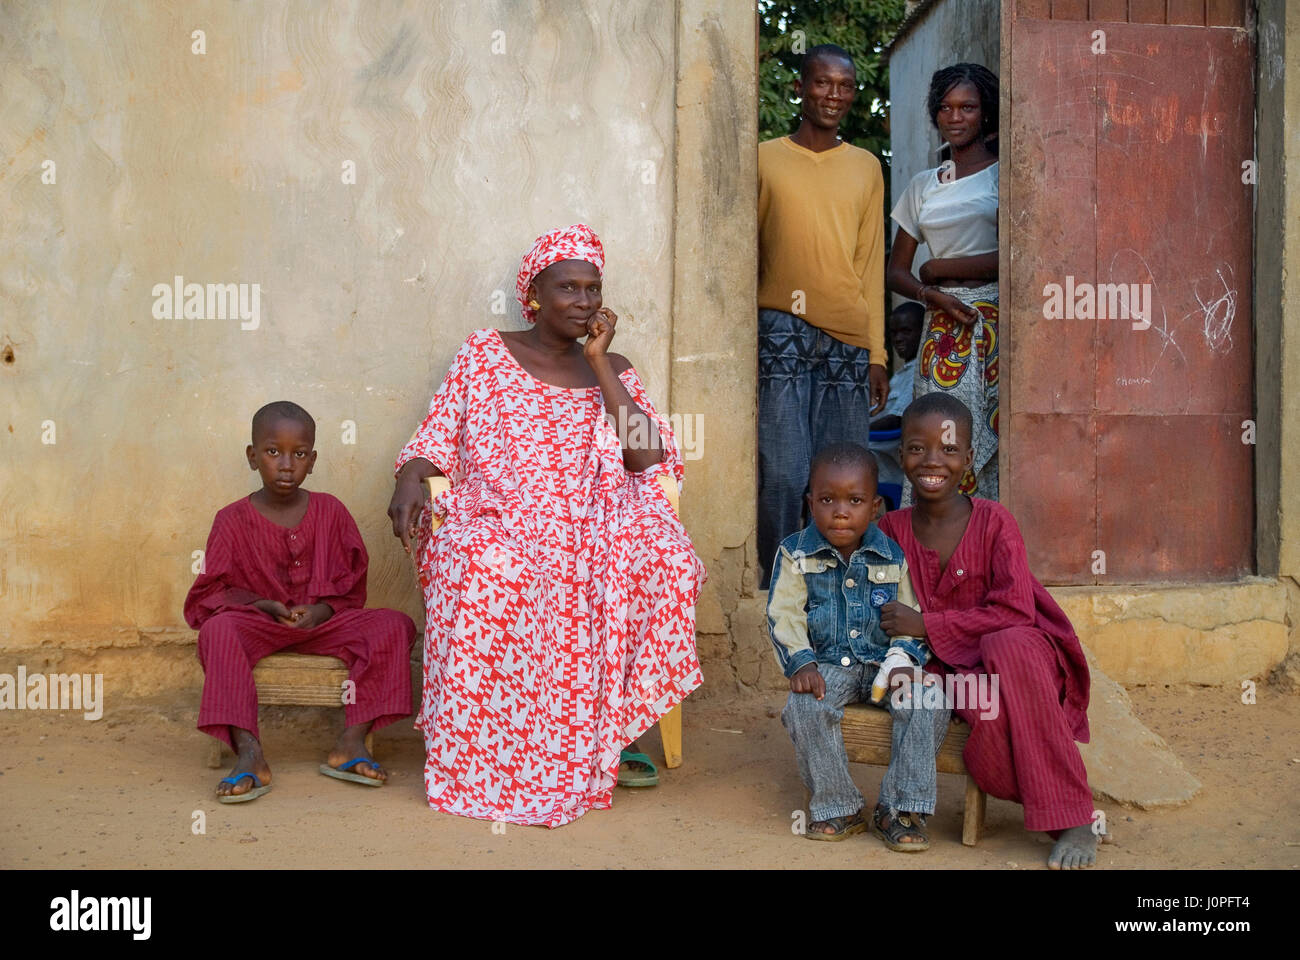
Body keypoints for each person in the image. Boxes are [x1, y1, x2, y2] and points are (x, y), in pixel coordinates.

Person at [387, 223, 704, 828]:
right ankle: (487, 750)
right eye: (568, 288)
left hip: (597, 516)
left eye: (592, 289)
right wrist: (409, 477)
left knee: (663, 559)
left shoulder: (614, 365)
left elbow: (644, 457)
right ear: (533, 295)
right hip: (503, 516)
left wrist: (599, 363)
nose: (583, 301)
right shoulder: (484, 352)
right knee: (479, 565)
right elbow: (439, 434)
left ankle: (614, 727)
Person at [877, 393, 1097, 869]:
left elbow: (1016, 610)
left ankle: (1077, 818)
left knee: (1007, 643)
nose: (933, 461)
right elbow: (880, 611)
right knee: (988, 717)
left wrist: (928, 622)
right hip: (946, 669)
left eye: (949, 449)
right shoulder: (889, 530)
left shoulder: (996, 522)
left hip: (1021, 661)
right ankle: (1059, 809)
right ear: (901, 456)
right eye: (918, 448)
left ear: (970, 458)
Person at [185, 401, 416, 803]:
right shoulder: (231, 520)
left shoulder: (331, 511)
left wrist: (323, 610)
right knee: (217, 631)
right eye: (273, 452)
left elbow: (351, 583)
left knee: (394, 625)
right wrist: (260, 604)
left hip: (325, 626)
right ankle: (250, 754)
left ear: (313, 459)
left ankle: (351, 742)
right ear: (252, 456)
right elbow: (212, 592)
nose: (286, 464)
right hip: (259, 626)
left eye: (300, 453)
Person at [769, 442, 949, 850]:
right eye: (828, 499)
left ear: (875, 507)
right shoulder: (795, 553)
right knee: (803, 706)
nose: (840, 511)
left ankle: (899, 808)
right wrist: (801, 663)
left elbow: (912, 613)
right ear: (810, 501)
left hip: (887, 666)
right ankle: (839, 805)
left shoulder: (892, 555)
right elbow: (784, 614)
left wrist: (905, 657)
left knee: (929, 699)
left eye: (854, 500)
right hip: (830, 665)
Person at [758, 43, 890, 588]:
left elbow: (870, 264)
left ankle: (837, 591)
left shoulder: (865, 167)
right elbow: (747, 252)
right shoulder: (763, 157)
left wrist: (877, 354)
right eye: (821, 83)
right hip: (780, 330)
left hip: (848, 339)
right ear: (800, 88)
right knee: (785, 473)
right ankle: (771, 583)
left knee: (843, 478)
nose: (832, 95)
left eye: (844, 86)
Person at [887, 63, 1000, 501]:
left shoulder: (1002, 176)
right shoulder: (922, 186)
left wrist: (941, 267)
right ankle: (935, 551)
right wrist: (928, 289)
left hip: (990, 321)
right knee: (938, 438)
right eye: (945, 108)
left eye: (967, 107)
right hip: (940, 328)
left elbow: (1017, 257)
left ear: (985, 113)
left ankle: (987, 545)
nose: (955, 117)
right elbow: (896, 270)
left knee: (988, 437)